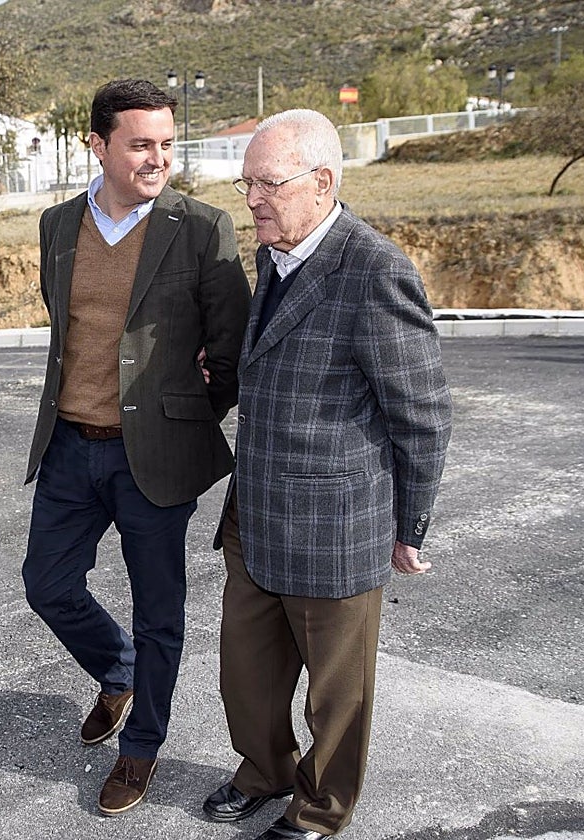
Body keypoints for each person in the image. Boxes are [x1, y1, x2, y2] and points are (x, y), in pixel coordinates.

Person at [202, 109, 453, 840]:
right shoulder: (271, 257)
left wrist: (409, 527)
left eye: (267, 183)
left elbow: (423, 416)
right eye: (246, 182)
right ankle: (265, 772)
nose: (252, 199)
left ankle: (321, 806)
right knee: (245, 677)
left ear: (322, 182)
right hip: (256, 516)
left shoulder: (375, 270)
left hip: (335, 526)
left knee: (336, 696)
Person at [22, 78, 251, 815]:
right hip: (68, 444)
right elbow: (68, 329)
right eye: (141, 143)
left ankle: (140, 747)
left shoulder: (202, 227)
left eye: (166, 142)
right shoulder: (58, 226)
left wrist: (181, 414)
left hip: (153, 458)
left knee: (161, 611)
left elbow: (232, 348)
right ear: (98, 144)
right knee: (47, 584)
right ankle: (117, 671)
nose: (158, 157)